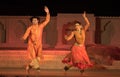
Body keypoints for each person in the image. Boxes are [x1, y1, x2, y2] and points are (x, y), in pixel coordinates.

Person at [22, 6, 50, 72]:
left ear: (38, 21)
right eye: (33, 20)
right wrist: (24, 37)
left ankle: (29, 66)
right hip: (31, 44)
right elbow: (26, 34)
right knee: (34, 57)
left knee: (39, 58)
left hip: (39, 44)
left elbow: (47, 20)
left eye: (35, 20)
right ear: (31, 21)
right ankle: (37, 68)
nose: (34, 21)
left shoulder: (41, 26)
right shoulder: (30, 28)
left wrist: (48, 12)